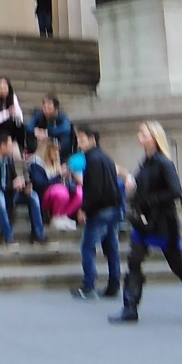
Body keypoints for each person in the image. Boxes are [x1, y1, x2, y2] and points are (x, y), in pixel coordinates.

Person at [110, 121, 182, 324]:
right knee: (134, 260)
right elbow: (143, 187)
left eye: (144, 134)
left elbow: (175, 191)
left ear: (154, 138)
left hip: (163, 222)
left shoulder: (163, 163)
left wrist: (149, 199)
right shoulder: (145, 162)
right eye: (140, 133)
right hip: (144, 220)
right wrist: (131, 185)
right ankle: (130, 307)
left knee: (176, 264)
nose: (139, 136)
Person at [71, 126, 122, 300]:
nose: (79, 143)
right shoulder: (106, 158)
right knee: (111, 248)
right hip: (113, 207)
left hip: (100, 210)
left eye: (82, 139)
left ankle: (89, 285)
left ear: (92, 139)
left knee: (88, 246)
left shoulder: (92, 160)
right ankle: (114, 284)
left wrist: (84, 208)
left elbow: (94, 189)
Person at [0, 133, 46, 246]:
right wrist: (11, 185)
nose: (13, 146)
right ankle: (8, 236)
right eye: (10, 144)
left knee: (33, 195)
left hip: (8, 193)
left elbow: (13, 179)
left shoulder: (9, 160)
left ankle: (38, 235)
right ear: (2, 146)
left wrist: (23, 186)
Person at [26, 134, 80, 231]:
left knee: (79, 192)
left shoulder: (56, 162)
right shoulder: (36, 163)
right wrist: (59, 175)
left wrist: (67, 177)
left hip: (60, 193)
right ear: (47, 150)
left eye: (58, 150)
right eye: (54, 150)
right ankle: (55, 216)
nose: (57, 153)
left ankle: (62, 216)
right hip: (43, 196)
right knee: (60, 191)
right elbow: (41, 183)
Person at [25, 94, 73, 159]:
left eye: (49, 106)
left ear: (56, 108)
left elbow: (66, 128)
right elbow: (29, 126)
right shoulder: (39, 114)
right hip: (41, 140)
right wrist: (37, 132)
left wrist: (47, 132)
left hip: (56, 141)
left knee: (65, 136)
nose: (46, 109)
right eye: (44, 106)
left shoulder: (62, 117)